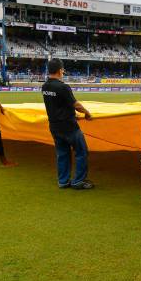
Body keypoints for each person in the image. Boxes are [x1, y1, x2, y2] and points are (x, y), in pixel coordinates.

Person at [42, 58, 94, 189]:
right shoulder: (63, 87)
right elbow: (75, 104)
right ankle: (78, 181)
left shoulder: (45, 86)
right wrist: (87, 113)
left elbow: (57, 105)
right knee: (81, 151)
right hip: (69, 126)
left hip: (54, 126)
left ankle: (63, 181)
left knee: (62, 153)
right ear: (60, 70)